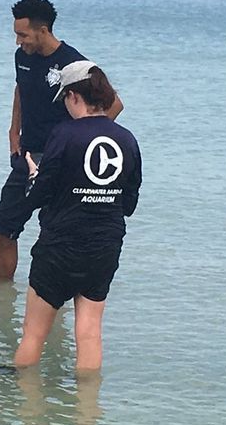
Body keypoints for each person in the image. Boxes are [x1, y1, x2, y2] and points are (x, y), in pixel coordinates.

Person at [14, 61, 141, 371]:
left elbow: (40, 194)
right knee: (89, 335)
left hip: (60, 247)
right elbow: (129, 204)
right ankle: (87, 414)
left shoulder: (64, 134)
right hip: (104, 248)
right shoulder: (127, 140)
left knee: (34, 334)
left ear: (73, 96)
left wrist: (33, 176)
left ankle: (25, 411)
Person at [0, 0, 124, 280]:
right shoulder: (22, 57)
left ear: (43, 31)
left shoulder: (74, 64)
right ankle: (2, 297)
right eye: (16, 34)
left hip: (59, 160)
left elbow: (114, 104)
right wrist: (13, 131)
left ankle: (54, 305)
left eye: (23, 35)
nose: (18, 41)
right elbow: (21, 90)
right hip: (26, 154)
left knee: (54, 232)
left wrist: (81, 140)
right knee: (4, 226)